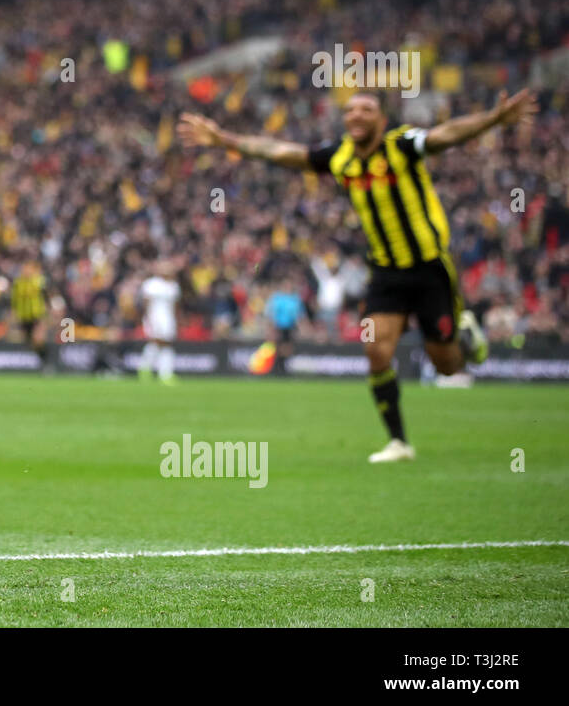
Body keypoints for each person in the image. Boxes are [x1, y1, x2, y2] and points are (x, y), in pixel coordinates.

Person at [178, 87, 537, 462]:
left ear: (381, 119)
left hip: (430, 269)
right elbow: (282, 152)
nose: (355, 115)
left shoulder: (401, 146)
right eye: (350, 110)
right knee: (375, 350)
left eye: (366, 109)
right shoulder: (339, 157)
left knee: (447, 365)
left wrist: (493, 119)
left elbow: (445, 135)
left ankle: (463, 336)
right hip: (385, 271)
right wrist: (223, 140)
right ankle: (399, 441)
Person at [136, 260, 180, 383]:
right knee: (158, 342)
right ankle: (157, 372)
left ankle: (159, 372)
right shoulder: (151, 284)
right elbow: (146, 303)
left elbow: (175, 306)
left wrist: (176, 320)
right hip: (155, 317)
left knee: (165, 344)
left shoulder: (174, 286)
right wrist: (147, 319)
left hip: (168, 319)